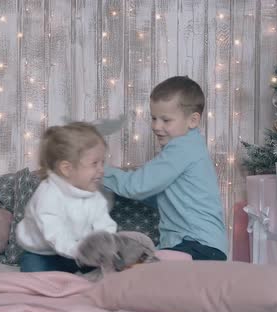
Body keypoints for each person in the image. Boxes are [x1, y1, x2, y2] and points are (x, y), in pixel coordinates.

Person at [103, 76, 228, 260]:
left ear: (192, 120)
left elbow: (136, 186)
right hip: (202, 246)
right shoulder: (190, 146)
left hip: (196, 245)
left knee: (144, 271)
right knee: (147, 266)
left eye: (166, 120)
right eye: (153, 118)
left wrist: (99, 171)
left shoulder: (181, 148)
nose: (156, 126)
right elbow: (162, 196)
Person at [16, 122, 117, 272]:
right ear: (67, 169)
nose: (101, 170)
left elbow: (103, 225)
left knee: (108, 266)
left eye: (102, 163)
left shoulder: (94, 195)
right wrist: (80, 252)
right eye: (95, 164)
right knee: (35, 272)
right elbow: (56, 234)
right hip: (43, 253)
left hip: (78, 250)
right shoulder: (48, 195)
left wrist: (104, 247)